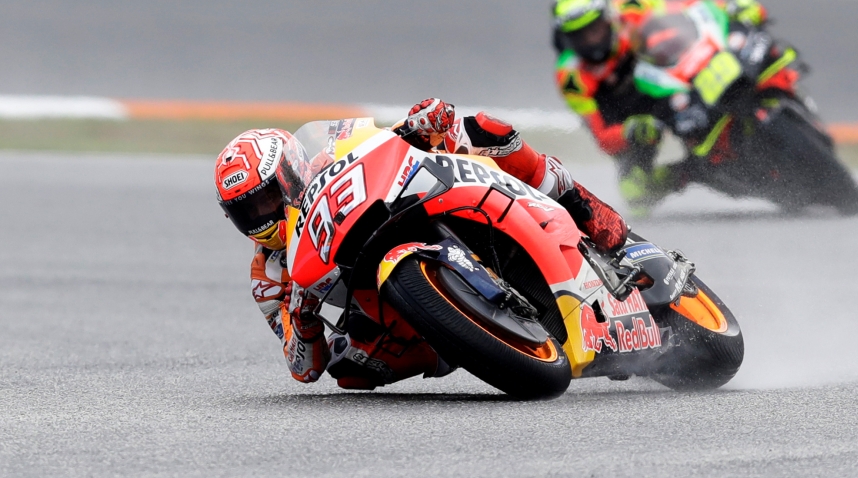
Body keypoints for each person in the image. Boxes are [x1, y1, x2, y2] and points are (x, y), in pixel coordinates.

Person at [213, 98, 628, 390]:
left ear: (289, 172)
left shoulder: (327, 156)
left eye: (267, 198)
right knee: (350, 369)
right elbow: (303, 368)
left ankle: (581, 204)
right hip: (380, 300)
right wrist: (301, 318)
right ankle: (462, 334)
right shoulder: (268, 277)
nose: (262, 216)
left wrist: (418, 124)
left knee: (484, 128)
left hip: (411, 198)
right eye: (247, 211)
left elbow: (379, 142)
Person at [551, 0, 769, 215]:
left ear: (608, 17)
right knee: (636, 193)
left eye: (594, 29)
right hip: (636, 121)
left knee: (740, 49)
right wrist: (630, 131)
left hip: (671, 82)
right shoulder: (570, 76)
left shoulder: (631, 6)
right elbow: (602, 136)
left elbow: (687, 12)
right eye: (578, 35)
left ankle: (770, 86)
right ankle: (691, 172)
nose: (590, 40)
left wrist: (730, 8)